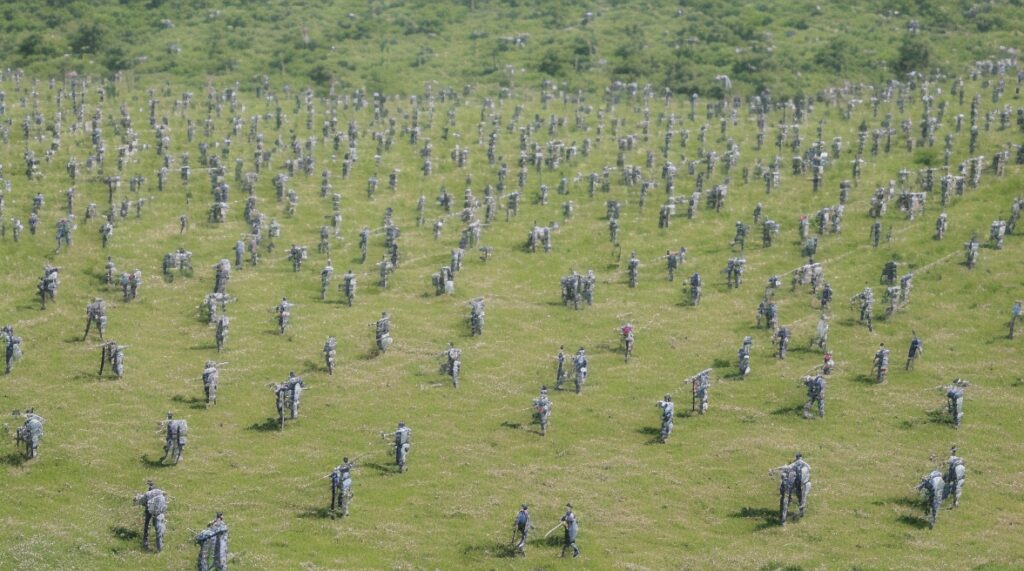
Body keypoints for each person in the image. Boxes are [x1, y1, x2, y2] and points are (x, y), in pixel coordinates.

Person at [135, 481, 167, 552]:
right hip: (159, 512)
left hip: (150, 510)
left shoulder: (147, 494)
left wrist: (136, 498)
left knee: (147, 525)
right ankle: (160, 547)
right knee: (159, 529)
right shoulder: (161, 492)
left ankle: (145, 541)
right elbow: (165, 501)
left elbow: (140, 501)